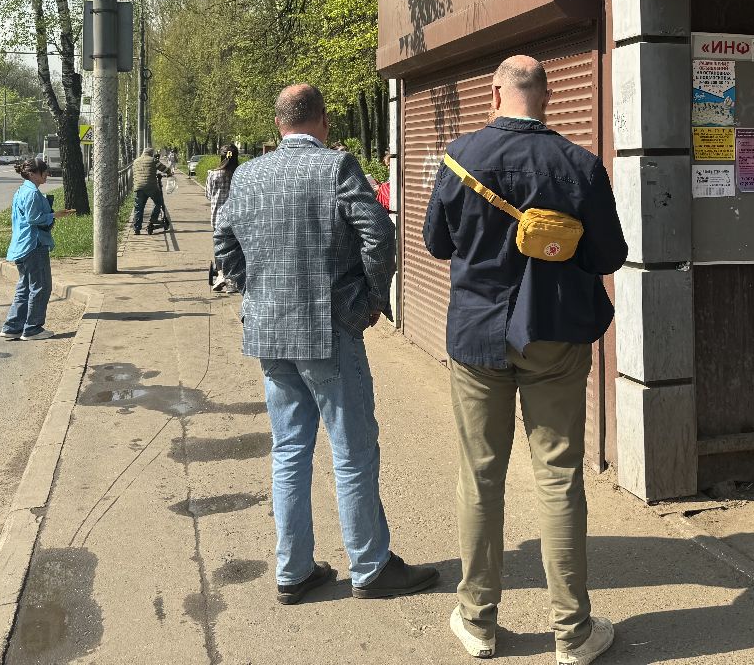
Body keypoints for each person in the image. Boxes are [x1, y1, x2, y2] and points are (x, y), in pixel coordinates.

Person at [423, 55, 628, 665]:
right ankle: (573, 634)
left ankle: (478, 623)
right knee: (560, 475)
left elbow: (436, 242)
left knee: (481, 475)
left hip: (477, 340)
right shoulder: (580, 164)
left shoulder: (459, 158)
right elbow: (609, 255)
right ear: (546, 96)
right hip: (556, 338)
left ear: (494, 95)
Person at [214, 83, 438, 605]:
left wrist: (258, 290)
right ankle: (371, 566)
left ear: (278, 124)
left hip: (269, 333)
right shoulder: (336, 167)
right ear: (323, 118)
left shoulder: (245, 175)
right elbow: (379, 236)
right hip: (326, 330)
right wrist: (367, 302)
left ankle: (292, 571)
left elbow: (224, 248)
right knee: (353, 449)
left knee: (290, 449)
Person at [1, 156, 71, 341]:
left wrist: (52, 214)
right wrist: (54, 215)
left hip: (22, 244)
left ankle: (13, 327)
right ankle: (32, 329)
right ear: (32, 174)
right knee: (41, 287)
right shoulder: (31, 193)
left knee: (25, 287)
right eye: (44, 171)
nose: (47, 174)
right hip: (34, 244)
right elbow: (34, 218)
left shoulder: (22, 191)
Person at [206, 144, 241, 292]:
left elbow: (208, 195)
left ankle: (220, 274)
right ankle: (232, 280)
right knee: (236, 248)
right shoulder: (239, 173)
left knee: (220, 247)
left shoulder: (213, 174)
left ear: (221, 156)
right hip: (236, 216)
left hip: (218, 216)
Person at [130, 146, 172, 235]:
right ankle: (153, 218)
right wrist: (169, 172)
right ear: (151, 153)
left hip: (139, 187)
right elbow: (163, 169)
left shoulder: (136, 161)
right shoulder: (153, 160)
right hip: (151, 187)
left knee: (139, 208)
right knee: (158, 202)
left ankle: (137, 228)